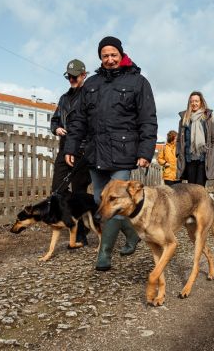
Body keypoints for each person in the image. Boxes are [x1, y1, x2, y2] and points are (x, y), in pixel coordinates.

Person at [64, 36, 157, 271]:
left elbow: (148, 119)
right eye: (105, 55)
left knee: (115, 201)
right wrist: (71, 146)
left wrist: (145, 151)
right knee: (100, 199)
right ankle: (132, 234)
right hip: (96, 153)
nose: (110, 59)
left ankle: (104, 254)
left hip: (124, 152)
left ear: (121, 54)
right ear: (100, 58)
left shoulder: (138, 82)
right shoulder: (92, 84)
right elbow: (78, 120)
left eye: (113, 54)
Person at [50, 59, 91, 245]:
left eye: (75, 76)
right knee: (57, 189)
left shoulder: (90, 95)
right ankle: (80, 220)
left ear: (84, 75)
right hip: (65, 145)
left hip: (83, 148)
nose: (72, 79)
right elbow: (55, 119)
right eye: (69, 76)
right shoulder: (64, 98)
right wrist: (56, 128)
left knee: (79, 190)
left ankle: (81, 232)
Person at [176, 91, 214, 186]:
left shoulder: (208, 118)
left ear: (201, 102)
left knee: (199, 188)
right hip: (189, 159)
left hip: (204, 159)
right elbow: (179, 139)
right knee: (190, 188)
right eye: (192, 101)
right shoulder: (184, 119)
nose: (194, 103)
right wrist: (178, 153)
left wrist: (213, 153)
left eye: (196, 101)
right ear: (189, 103)